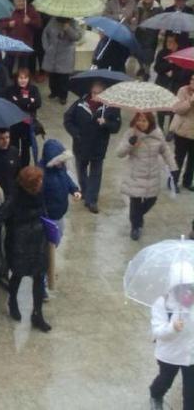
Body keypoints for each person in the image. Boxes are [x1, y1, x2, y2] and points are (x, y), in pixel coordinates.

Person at [0, 166, 52, 333]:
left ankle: (38, 314)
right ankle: (12, 301)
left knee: (39, 277)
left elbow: (44, 211)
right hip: (19, 244)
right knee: (18, 275)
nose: (41, 183)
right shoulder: (15, 198)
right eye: (38, 181)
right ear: (29, 184)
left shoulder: (40, 193)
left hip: (38, 241)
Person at [63, 81, 121, 213]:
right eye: (94, 92)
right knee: (81, 169)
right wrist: (75, 134)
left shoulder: (111, 107)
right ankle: (85, 190)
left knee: (96, 172)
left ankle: (91, 200)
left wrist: (106, 123)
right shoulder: (79, 104)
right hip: (81, 145)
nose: (96, 96)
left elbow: (116, 127)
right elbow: (67, 119)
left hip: (98, 146)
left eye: (100, 93)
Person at [117, 112, 176, 241]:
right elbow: (119, 153)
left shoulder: (158, 134)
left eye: (144, 121)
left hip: (152, 174)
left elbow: (166, 151)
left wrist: (173, 167)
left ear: (150, 122)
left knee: (151, 200)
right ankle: (135, 227)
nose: (141, 123)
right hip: (135, 174)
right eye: (139, 120)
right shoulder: (131, 133)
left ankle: (137, 217)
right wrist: (130, 144)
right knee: (135, 202)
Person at [149, 262, 194, 410]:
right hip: (170, 354)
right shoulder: (163, 304)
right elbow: (157, 331)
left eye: (190, 287)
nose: (187, 293)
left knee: (191, 392)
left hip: (191, 354)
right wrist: (172, 327)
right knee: (165, 380)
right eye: (182, 288)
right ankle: (155, 394)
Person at [37, 139, 80, 293]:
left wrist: (74, 189)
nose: (62, 163)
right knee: (46, 250)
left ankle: (48, 268)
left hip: (59, 216)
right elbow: (38, 198)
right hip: (48, 219)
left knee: (54, 245)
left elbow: (67, 180)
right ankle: (42, 282)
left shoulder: (59, 169)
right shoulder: (41, 175)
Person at [42, 17, 82, 105]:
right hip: (52, 53)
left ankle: (63, 96)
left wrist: (68, 28)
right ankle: (54, 92)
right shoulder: (52, 20)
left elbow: (77, 36)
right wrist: (47, 47)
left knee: (64, 77)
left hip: (66, 54)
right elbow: (45, 34)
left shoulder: (73, 23)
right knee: (53, 75)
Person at [6, 68, 41, 167]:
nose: (23, 80)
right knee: (14, 147)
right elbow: (11, 104)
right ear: (16, 79)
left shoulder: (34, 89)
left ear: (29, 79)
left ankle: (25, 168)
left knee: (26, 148)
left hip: (27, 124)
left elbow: (38, 103)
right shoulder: (11, 89)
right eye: (20, 78)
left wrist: (19, 101)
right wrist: (29, 101)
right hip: (14, 123)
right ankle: (15, 168)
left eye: (25, 78)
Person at [171, 75, 194, 191]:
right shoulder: (182, 90)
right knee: (179, 158)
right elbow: (177, 109)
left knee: (192, 160)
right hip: (182, 131)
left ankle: (187, 182)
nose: (193, 82)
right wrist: (190, 100)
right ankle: (173, 181)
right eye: (192, 79)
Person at [136, 0, 163, 80]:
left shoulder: (158, 8)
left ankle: (146, 71)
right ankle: (141, 67)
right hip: (139, 33)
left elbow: (161, 21)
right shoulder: (138, 6)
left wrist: (160, 32)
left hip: (151, 34)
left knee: (149, 54)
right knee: (138, 52)